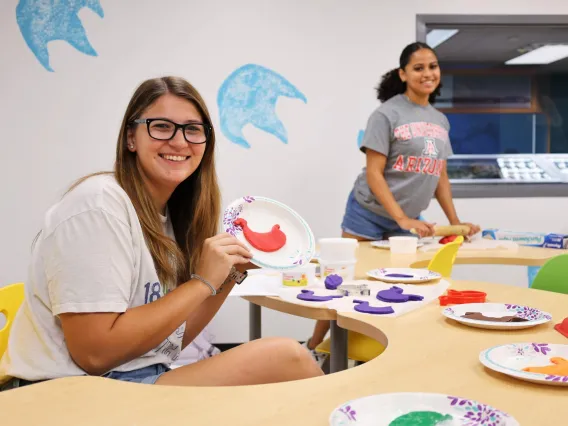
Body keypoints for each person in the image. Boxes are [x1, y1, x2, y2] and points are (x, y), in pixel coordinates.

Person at [0, 76, 323, 390]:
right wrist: (202, 282)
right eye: (162, 126)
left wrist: (230, 273)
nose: (180, 141)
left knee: (282, 376)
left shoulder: (171, 217)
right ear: (131, 138)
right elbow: (95, 355)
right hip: (64, 394)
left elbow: (170, 343)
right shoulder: (98, 206)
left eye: (193, 130)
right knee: (288, 357)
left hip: (132, 380)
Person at [304, 42, 480, 356]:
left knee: (395, 288)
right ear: (403, 74)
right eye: (419, 67)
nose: (428, 73)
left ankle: (379, 351)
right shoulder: (386, 113)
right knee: (343, 282)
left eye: (433, 66)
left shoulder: (440, 121)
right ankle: (316, 348)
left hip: (407, 222)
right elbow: (373, 172)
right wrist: (402, 219)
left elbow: (439, 176)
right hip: (369, 213)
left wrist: (455, 224)